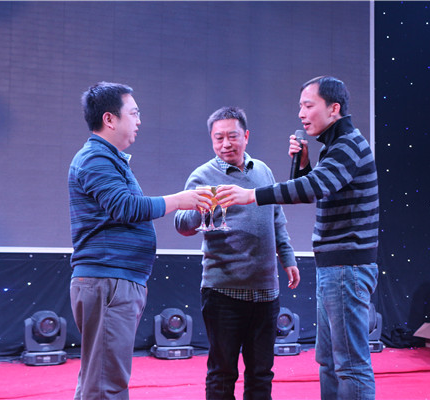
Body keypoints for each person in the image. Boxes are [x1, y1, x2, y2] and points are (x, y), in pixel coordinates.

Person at [216, 76, 379, 400]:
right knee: (329, 361)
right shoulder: (334, 146)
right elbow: (316, 189)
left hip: (346, 269)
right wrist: (303, 165)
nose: (301, 114)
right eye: (300, 107)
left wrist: (252, 195)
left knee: (349, 364)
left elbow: (313, 188)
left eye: (308, 105)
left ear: (333, 108)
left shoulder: (348, 144)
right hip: (335, 268)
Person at [68, 81, 211, 399]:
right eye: (134, 113)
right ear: (109, 119)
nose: (139, 121)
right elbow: (126, 207)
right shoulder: (95, 158)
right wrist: (179, 200)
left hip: (114, 281)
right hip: (109, 280)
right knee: (106, 384)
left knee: (100, 379)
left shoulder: (108, 158)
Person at [174, 106, 300, 400]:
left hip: (266, 292)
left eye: (232, 136)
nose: (225, 144)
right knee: (222, 373)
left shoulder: (264, 171)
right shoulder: (202, 175)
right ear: (212, 140)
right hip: (223, 292)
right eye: (218, 138)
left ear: (246, 136)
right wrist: (201, 208)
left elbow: (277, 219)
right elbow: (181, 225)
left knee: (261, 373)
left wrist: (288, 258)